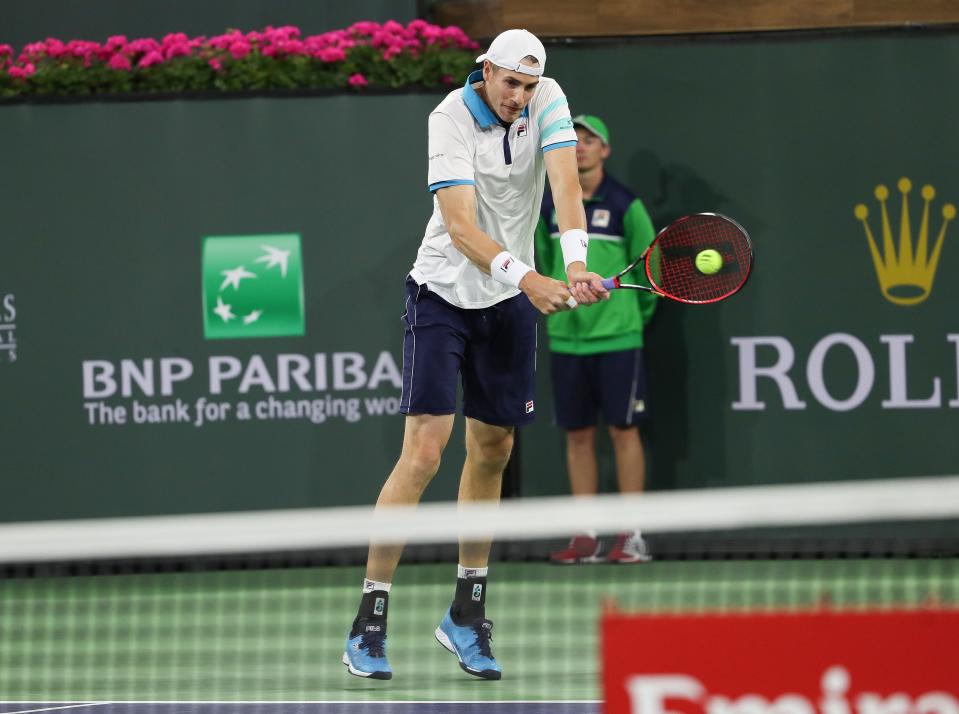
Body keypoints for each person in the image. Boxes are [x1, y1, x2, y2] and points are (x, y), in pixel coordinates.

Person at [343, 29, 608, 681]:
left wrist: (574, 264)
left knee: (492, 450)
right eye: (508, 83)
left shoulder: (548, 98)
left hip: (507, 301)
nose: (519, 96)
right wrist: (530, 279)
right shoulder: (449, 118)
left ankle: (466, 613)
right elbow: (461, 228)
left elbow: (565, 191)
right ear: (483, 71)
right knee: (425, 451)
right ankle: (369, 620)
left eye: (528, 84)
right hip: (442, 293)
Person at [534, 114, 657, 565]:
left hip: (620, 339)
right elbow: (547, 266)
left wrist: (628, 318)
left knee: (625, 433)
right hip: (568, 339)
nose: (581, 146)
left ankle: (632, 535)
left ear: (605, 150)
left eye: (591, 140)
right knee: (578, 436)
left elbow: (651, 270)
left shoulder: (627, 204)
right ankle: (585, 536)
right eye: (574, 139)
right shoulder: (549, 207)